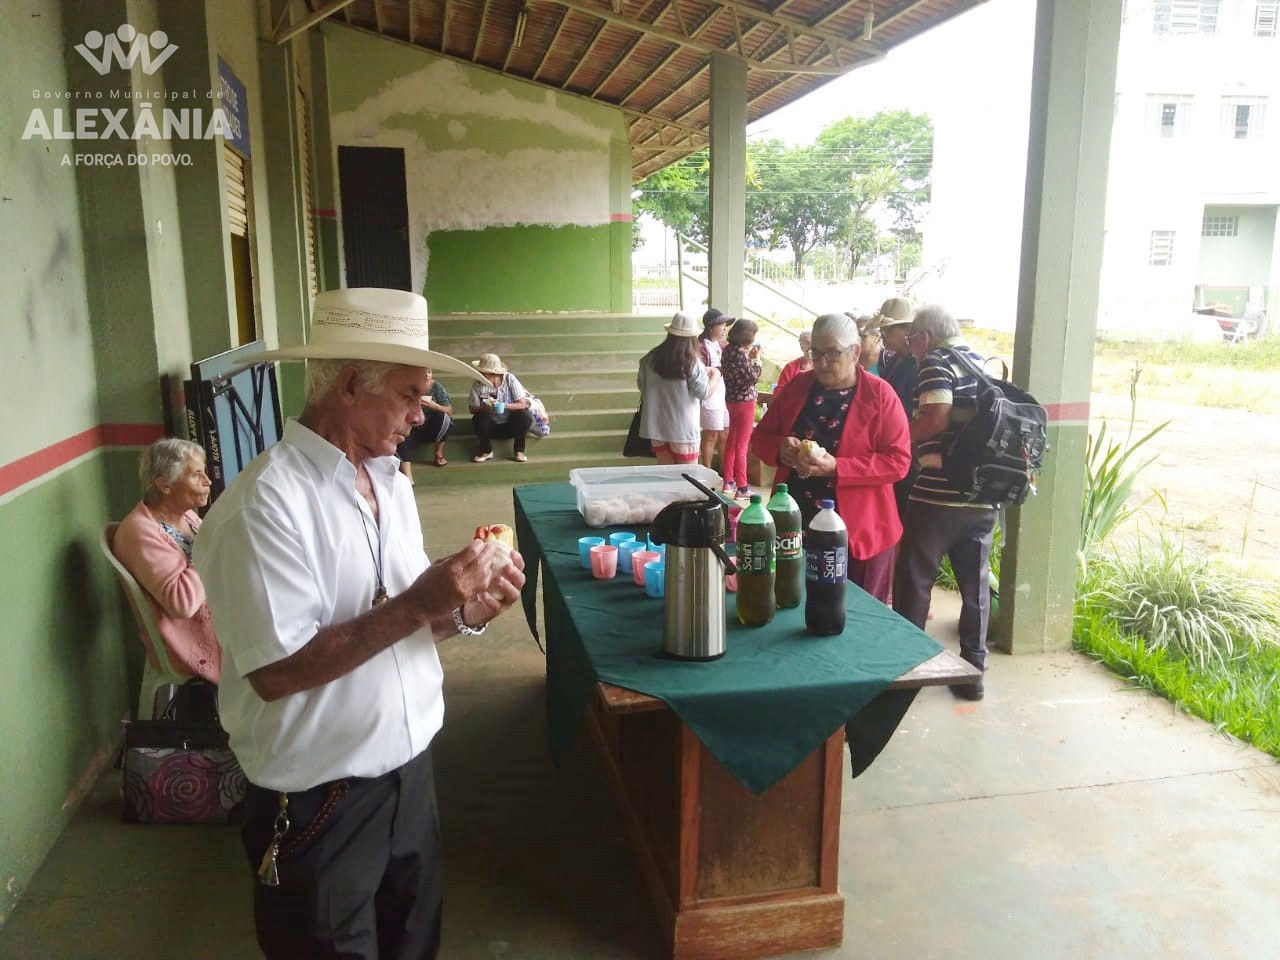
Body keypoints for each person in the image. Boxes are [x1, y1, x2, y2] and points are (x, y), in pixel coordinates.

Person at [195, 287, 526, 960]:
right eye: (410, 394)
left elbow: (389, 630)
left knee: (413, 945)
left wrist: (461, 614)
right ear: (350, 385)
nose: (424, 413)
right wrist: (420, 603)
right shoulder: (264, 506)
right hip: (322, 800)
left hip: (410, 778)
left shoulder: (392, 483)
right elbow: (278, 671)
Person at [750, 312, 912, 604]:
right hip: (795, 526)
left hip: (858, 531)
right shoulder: (798, 387)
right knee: (792, 604)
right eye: (817, 352)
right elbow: (760, 439)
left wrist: (838, 467)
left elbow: (898, 461)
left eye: (833, 353)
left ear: (856, 352)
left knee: (856, 616)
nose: (822, 362)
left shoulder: (880, 395)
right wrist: (780, 450)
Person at [892, 303, 995, 701]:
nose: (910, 345)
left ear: (925, 336)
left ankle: (909, 665)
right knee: (976, 586)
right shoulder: (978, 361)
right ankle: (974, 671)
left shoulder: (936, 362)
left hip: (939, 496)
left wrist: (898, 436)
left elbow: (935, 418)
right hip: (983, 496)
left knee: (915, 578)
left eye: (911, 338)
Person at [112, 437, 221, 685]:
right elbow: (182, 603)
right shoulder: (141, 532)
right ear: (165, 485)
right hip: (190, 640)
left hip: (220, 616)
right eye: (196, 475)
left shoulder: (187, 516)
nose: (208, 481)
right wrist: (211, 545)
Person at [637, 311, 710, 465]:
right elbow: (703, 392)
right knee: (688, 480)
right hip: (684, 429)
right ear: (693, 337)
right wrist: (715, 376)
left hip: (656, 427)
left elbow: (642, 387)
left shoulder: (649, 359)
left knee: (667, 479)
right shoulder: (692, 362)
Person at [873, 297, 920, 519]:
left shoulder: (920, 364)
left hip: (910, 450)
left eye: (888, 330)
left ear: (908, 330)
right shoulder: (891, 362)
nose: (883, 336)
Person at [720, 317, 763, 499]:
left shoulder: (727, 351)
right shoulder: (741, 354)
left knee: (732, 441)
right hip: (745, 402)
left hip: (730, 400)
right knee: (742, 446)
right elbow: (752, 377)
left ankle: (728, 481)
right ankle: (743, 487)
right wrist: (757, 360)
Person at [468, 353, 534, 463]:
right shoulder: (477, 385)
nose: (481, 374)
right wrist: (486, 408)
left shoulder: (509, 379)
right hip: (491, 426)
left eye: (483, 372)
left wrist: (504, 405)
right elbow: (472, 408)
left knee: (524, 415)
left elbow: (522, 404)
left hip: (511, 425)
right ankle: (486, 450)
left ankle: (519, 451)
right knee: (478, 418)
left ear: (493, 373)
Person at [395, 367, 452, 482]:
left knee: (445, 418)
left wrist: (434, 406)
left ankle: (438, 453)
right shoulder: (407, 388)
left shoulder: (436, 387)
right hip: (412, 427)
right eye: (424, 373)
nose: (427, 375)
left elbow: (449, 410)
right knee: (401, 431)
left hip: (430, 426)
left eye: (429, 372)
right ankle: (408, 475)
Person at [697, 308, 729, 470]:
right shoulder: (700, 346)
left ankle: (726, 472)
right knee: (711, 435)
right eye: (721, 325)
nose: (724, 328)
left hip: (722, 393)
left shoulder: (722, 345)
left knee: (724, 434)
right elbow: (701, 369)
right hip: (709, 394)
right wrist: (720, 369)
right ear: (711, 327)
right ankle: (707, 470)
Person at [774, 328, 812, 393]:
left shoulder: (824, 366)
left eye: (814, 343)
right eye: (808, 343)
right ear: (801, 346)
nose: (811, 346)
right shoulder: (790, 367)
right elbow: (779, 393)